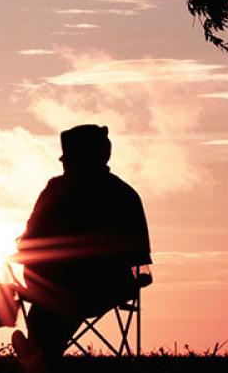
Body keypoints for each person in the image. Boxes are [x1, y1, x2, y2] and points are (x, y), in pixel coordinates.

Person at [12, 124, 152, 366]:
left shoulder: (55, 190)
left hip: (59, 286)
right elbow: (140, 258)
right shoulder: (124, 194)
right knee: (62, 297)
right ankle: (40, 354)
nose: (63, 165)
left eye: (67, 160)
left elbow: (28, 243)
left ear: (75, 159)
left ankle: (40, 354)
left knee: (57, 297)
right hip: (109, 287)